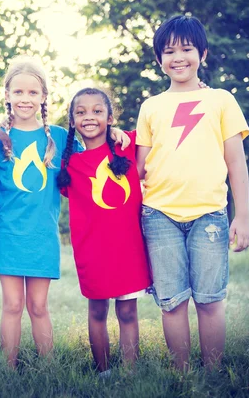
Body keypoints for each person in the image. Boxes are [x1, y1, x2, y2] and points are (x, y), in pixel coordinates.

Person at [0, 57, 130, 367]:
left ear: (44, 97)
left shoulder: (60, 139)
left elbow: (95, 152)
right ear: (7, 94)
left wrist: (115, 134)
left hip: (42, 236)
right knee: (11, 305)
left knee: (38, 306)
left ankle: (47, 368)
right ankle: (8, 370)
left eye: (33, 93)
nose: (26, 99)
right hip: (8, 234)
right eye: (19, 92)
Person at [136, 14, 249, 371]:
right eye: (169, 51)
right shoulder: (150, 106)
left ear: (202, 53)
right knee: (171, 302)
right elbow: (138, 167)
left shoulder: (221, 100)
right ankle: (182, 373)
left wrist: (243, 216)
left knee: (209, 299)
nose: (178, 57)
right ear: (159, 60)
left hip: (209, 214)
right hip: (159, 215)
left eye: (186, 49)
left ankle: (214, 373)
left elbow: (236, 164)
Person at [57, 88, 151, 376]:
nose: (89, 117)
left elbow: (157, 128)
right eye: (81, 112)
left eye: (97, 111)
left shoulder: (127, 146)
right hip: (92, 251)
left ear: (110, 118)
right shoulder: (68, 163)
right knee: (97, 311)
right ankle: (103, 372)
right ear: (72, 121)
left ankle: (130, 373)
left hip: (128, 248)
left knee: (127, 312)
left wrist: (120, 133)